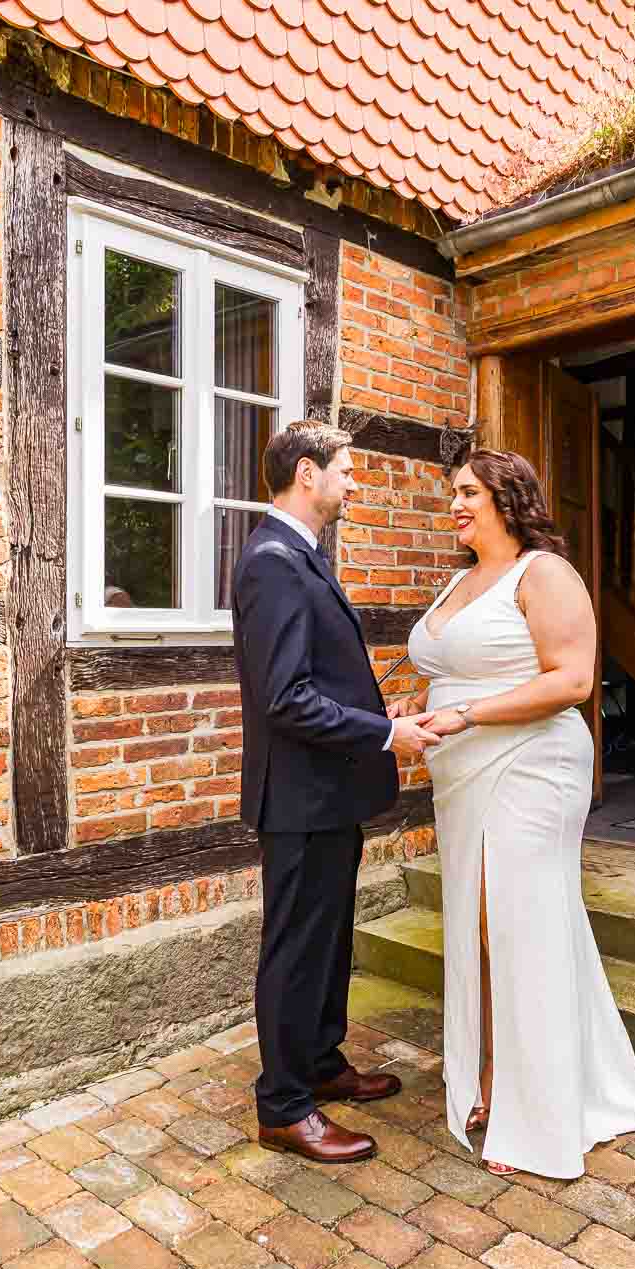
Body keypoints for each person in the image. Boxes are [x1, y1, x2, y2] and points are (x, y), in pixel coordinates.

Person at [391, 445, 635, 1179]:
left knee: (519, 924)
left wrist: (465, 713)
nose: (457, 504)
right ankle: (493, 1071)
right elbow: (454, 667)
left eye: (469, 492)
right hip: (461, 775)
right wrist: (424, 702)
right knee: (478, 927)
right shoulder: (461, 580)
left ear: (509, 495)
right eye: (454, 494)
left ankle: (535, 1105)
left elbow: (571, 680)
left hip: (532, 768)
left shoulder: (547, 573)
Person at [232, 420, 442, 1164]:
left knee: (326, 942)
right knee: (293, 951)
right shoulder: (272, 562)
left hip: (328, 794)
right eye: (346, 471)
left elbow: (317, 679)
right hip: (297, 800)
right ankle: (283, 1108)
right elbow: (285, 697)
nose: (355, 483)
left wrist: (370, 719)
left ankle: (319, 1065)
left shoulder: (301, 556)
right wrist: (386, 736)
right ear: (307, 474)